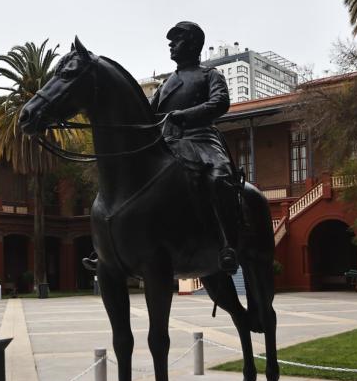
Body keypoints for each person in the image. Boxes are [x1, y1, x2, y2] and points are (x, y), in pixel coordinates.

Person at [83, 21, 240, 274]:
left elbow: (220, 103)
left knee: (219, 178)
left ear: (192, 44)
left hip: (200, 138)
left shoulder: (210, 75)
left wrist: (183, 115)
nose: (171, 45)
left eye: (176, 40)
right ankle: (106, 248)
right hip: (169, 142)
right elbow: (150, 115)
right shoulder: (167, 83)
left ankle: (227, 244)